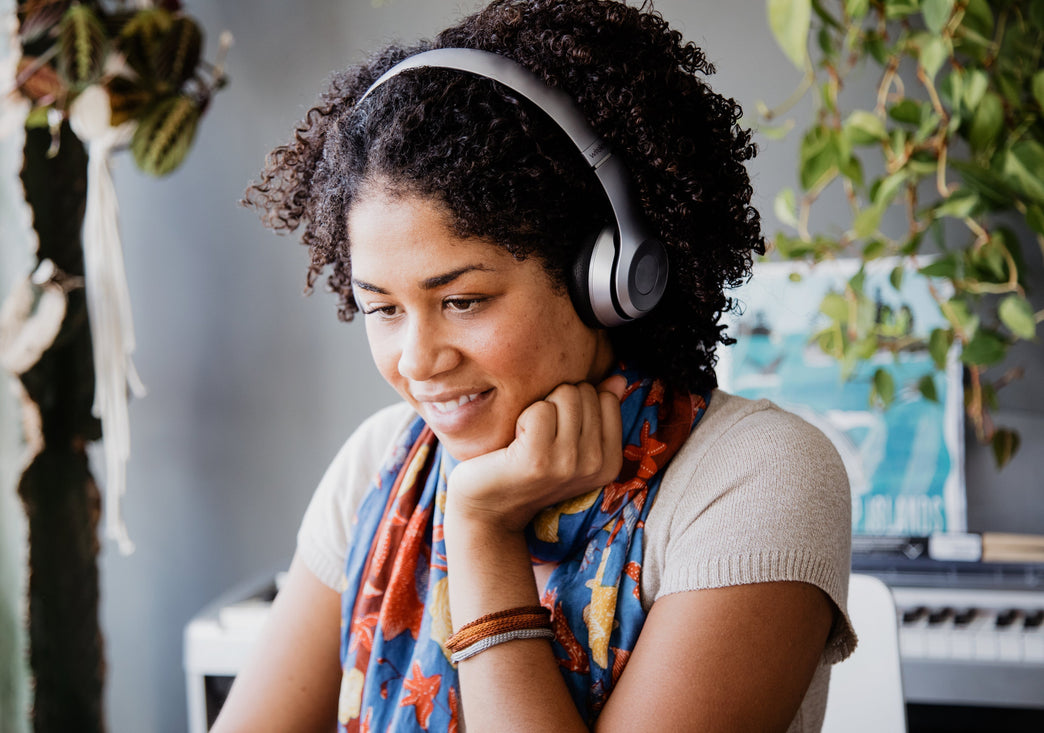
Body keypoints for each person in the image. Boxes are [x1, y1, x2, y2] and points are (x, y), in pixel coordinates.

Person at [216, 1, 855, 730]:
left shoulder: (753, 476)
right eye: (383, 309)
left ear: (608, 277)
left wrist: (481, 529)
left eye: (462, 300)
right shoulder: (379, 465)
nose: (417, 360)